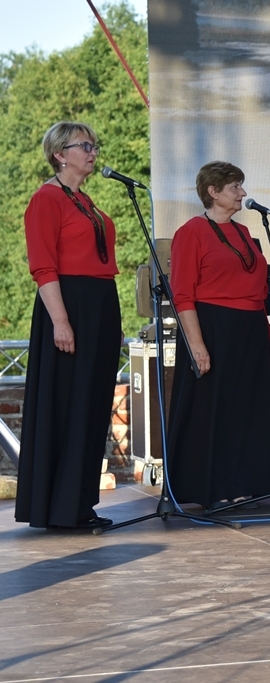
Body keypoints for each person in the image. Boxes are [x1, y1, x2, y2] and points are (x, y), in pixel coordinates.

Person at [15, 121, 121, 530]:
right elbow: (44, 266)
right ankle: (59, 509)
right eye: (84, 145)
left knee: (91, 406)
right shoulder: (46, 199)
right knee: (69, 405)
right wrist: (61, 321)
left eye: (94, 144)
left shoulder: (87, 201)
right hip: (69, 305)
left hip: (98, 304)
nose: (93, 151)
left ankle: (79, 504)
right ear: (60, 154)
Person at [166, 161, 270, 512]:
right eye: (234, 187)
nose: (242, 193)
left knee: (245, 409)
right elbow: (182, 294)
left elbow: (259, 291)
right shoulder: (192, 232)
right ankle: (209, 486)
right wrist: (197, 345)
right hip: (213, 328)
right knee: (211, 410)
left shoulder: (244, 234)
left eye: (241, 186)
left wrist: (268, 336)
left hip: (250, 329)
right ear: (213, 192)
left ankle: (242, 482)